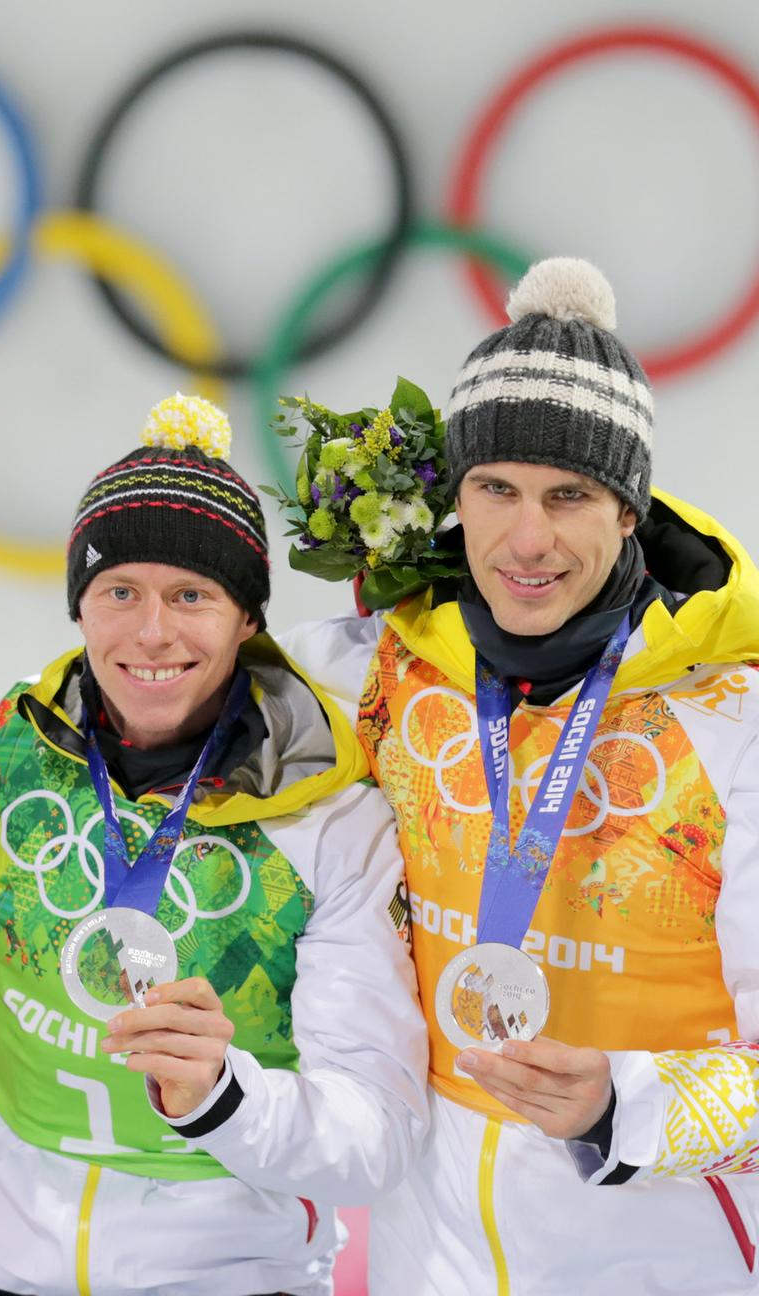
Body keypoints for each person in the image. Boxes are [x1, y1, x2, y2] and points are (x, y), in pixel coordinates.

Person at [281, 257, 759, 1294]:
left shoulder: (734, 723)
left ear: (631, 511)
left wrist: (623, 1105)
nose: (526, 538)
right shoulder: (374, 670)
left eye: (570, 495)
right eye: (494, 489)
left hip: (665, 1250)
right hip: (430, 1248)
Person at [0, 393, 428, 1296]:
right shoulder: (10, 743)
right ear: (79, 608)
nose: (152, 633)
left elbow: (374, 1136)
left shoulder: (328, 813)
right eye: (120, 592)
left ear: (248, 617)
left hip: (224, 1271)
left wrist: (225, 1095)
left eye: (192, 595)